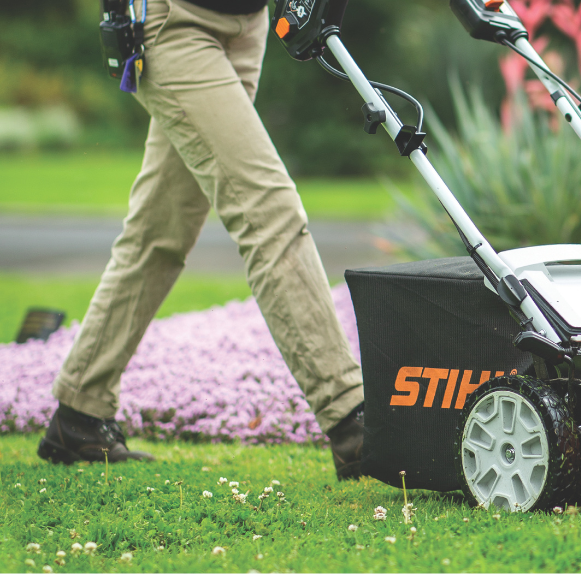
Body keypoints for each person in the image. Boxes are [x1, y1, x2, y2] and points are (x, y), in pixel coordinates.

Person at [37, 0, 366, 480]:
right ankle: (351, 421)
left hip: (248, 27)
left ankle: (79, 414)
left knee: (160, 231)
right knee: (267, 210)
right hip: (173, 23)